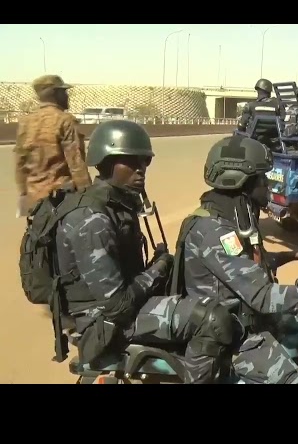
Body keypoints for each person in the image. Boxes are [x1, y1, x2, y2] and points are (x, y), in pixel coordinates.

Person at [53, 120, 236, 384]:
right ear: (106, 163)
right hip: (102, 321)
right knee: (212, 319)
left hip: (116, 306)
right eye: (131, 162)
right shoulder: (92, 219)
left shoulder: (116, 204)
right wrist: (158, 268)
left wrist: (159, 267)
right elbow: (117, 306)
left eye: (145, 162)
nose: (141, 170)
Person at [170, 134, 298, 384]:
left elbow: (246, 266)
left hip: (248, 318)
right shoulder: (214, 230)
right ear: (241, 180)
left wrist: (293, 254)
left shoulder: (236, 216)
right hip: (233, 337)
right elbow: (264, 297)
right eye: (261, 177)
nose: (267, 183)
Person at [14, 75, 91, 215]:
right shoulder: (65, 121)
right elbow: (76, 162)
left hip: (35, 200)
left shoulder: (26, 122)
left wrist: (24, 194)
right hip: (61, 200)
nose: (67, 96)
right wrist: (88, 197)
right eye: (64, 92)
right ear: (55, 94)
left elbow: (20, 164)